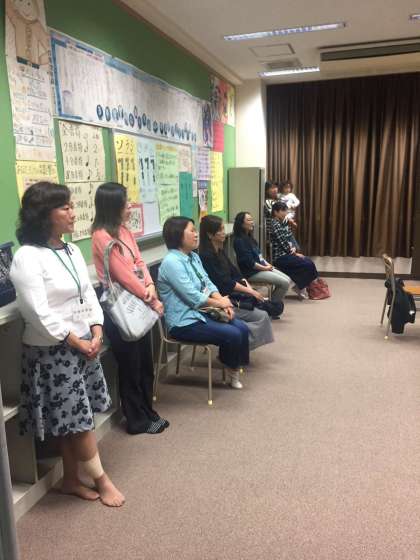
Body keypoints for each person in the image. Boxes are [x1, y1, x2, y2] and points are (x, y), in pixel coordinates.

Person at [10, 182, 124, 507]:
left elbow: (87, 293)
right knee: (78, 420)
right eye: (66, 208)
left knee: (71, 419)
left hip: (83, 343)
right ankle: (102, 481)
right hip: (52, 350)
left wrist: (96, 330)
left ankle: (71, 479)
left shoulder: (71, 250)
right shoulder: (27, 257)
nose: (74, 213)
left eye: (72, 206)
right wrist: (75, 340)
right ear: (44, 214)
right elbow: (37, 311)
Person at [91, 182, 168, 435]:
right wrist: (151, 299)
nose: (130, 207)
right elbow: (123, 275)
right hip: (123, 311)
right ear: (113, 206)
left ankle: (148, 411)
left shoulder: (124, 230)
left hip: (141, 302)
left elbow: (139, 261)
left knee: (145, 363)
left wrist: (150, 285)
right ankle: (136, 420)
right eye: (126, 203)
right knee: (130, 366)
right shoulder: (101, 236)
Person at [158, 217, 249, 389]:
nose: (196, 234)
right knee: (233, 334)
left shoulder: (193, 256)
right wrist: (221, 304)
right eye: (192, 231)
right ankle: (232, 369)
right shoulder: (171, 262)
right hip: (183, 322)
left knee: (242, 329)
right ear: (178, 235)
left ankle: (230, 364)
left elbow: (207, 283)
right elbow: (193, 297)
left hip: (203, 312)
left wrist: (222, 301)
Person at [199, 215, 274, 349]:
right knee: (262, 316)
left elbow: (235, 272)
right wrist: (250, 291)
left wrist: (248, 287)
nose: (224, 232)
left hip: (232, 294)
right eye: (220, 230)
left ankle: (239, 346)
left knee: (263, 309)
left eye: (223, 229)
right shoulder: (206, 256)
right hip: (223, 299)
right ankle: (238, 346)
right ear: (210, 234)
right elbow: (224, 283)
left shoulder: (219, 251)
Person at [233, 211, 291, 304]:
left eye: (252, 219)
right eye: (249, 220)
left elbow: (260, 257)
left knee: (287, 279)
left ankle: (271, 304)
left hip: (261, 268)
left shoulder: (249, 238)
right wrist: (265, 268)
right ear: (241, 224)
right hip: (252, 272)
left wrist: (269, 265)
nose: (252, 222)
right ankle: (271, 306)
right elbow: (250, 263)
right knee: (285, 283)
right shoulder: (239, 241)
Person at [270, 201, 318, 299]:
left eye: (285, 211)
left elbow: (288, 239)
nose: (285, 213)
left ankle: (300, 286)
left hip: (287, 253)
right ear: (275, 212)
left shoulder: (281, 223)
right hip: (280, 257)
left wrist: (294, 250)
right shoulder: (275, 224)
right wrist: (295, 254)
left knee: (309, 262)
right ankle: (300, 287)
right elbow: (283, 243)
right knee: (307, 264)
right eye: (283, 211)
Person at [279, 180, 300, 250]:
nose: (288, 189)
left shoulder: (291, 195)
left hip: (290, 212)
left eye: (289, 188)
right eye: (286, 187)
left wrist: (293, 205)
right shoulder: (279, 195)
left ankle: (291, 222)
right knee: (284, 226)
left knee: (286, 220)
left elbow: (297, 202)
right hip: (282, 213)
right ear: (282, 188)